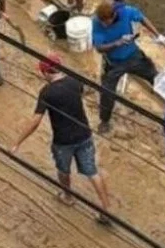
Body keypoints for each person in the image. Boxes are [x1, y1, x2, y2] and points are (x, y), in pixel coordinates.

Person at [12, 54, 112, 224]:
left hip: (63, 141)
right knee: (92, 171)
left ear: (45, 72)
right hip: (85, 135)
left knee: (63, 169)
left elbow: (36, 121)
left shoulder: (46, 92)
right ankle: (106, 208)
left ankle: (68, 196)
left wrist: (17, 143)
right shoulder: (75, 82)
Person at [91, 0, 165, 134]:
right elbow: (99, 48)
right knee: (107, 93)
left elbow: (141, 18)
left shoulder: (126, 12)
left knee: (156, 78)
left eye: (106, 22)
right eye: (102, 22)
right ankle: (104, 120)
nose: (104, 25)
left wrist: (158, 35)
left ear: (114, 15)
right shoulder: (97, 22)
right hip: (113, 63)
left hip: (134, 56)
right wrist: (118, 42)